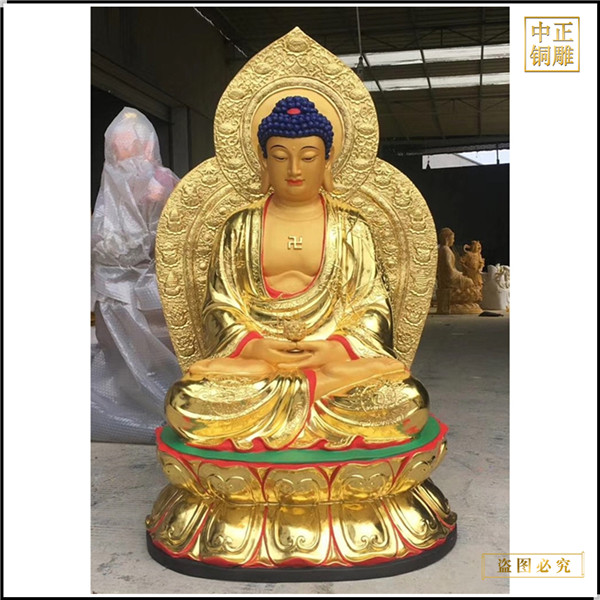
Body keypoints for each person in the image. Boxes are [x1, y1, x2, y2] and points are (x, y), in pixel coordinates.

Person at [164, 96, 430, 451]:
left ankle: (309, 392)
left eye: (307, 157)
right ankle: (308, 399)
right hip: (258, 364)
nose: (293, 169)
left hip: (333, 363)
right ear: (263, 160)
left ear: (327, 160)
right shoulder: (240, 226)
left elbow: (372, 308)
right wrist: (255, 347)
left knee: (407, 399)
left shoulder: (351, 228)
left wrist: (334, 351)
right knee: (187, 401)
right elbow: (220, 306)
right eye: (279, 157)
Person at [91, 108, 182, 443]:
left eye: (128, 143)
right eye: (118, 145)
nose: (122, 151)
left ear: (146, 147)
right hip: (114, 289)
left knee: (157, 350)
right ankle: (130, 396)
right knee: (119, 354)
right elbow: (103, 231)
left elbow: (173, 232)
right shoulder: (112, 182)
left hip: (149, 286)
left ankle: (167, 401)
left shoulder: (161, 181)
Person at [436, 227, 481, 314]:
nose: (453, 241)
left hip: (449, 276)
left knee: (471, 283)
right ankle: (457, 300)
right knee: (470, 282)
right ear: (447, 238)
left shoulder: (443, 249)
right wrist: (460, 274)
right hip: (449, 278)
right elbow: (449, 269)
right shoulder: (445, 250)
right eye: (452, 238)